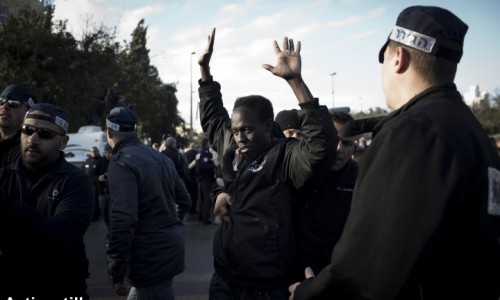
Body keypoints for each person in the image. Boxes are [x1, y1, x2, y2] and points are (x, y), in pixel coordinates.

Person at [290, 6, 500, 300]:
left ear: (398, 59)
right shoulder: (472, 131)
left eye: (384, 59)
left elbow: (367, 265)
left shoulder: (413, 130)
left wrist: (308, 293)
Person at [198, 28, 337, 299]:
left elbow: (320, 147)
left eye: (247, 130)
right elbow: (214, 116)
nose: (240, 137)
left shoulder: (284, 156)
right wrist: (204, 70)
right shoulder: (231, 144)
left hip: (267, 288)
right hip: (225, 280)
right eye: (236, 131)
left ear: (267, 126)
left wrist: (296, 83)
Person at [0, 103, 94, 298]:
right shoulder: (3, 177)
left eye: (45, 134)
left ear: (63, 142)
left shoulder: (77, 183)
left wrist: (6, 205)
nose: (33, 139)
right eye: (28, 130)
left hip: (61, 289)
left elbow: (63, 236)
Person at [105, 106, 192, 299]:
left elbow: (123, 219)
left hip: (149, 259)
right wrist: (171, 225)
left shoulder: (121, 162)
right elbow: (185, 200)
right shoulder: (160, 157)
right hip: (165, 253)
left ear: (109, 132)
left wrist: (116, 271)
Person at [295, 111, 358, 277]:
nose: (339, 149)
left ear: (354, 147)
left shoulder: (363, 178)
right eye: (335, 141)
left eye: (346, 143)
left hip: (340, 277)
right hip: (296, 274)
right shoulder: (299, 171)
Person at [0, 84, 37, 167]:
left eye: (13, 103)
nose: (4, 106)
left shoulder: (30, 148)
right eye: (1, 101)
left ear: (28, 112)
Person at [196, 137, 216, 224]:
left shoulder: (199, 152)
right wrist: (214, 165)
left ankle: (201, 216)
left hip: (200, 178)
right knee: (206, 199)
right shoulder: (205, 152)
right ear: (207, 144)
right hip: (206, 178)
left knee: (202, 199)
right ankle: (205, 218)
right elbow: (202, 166)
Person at [82, 146, 103, 220]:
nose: (93, 153)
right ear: (90, 152)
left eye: (95, 151)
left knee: (96, 201)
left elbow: (103, 173)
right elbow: (82, 171)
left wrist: (98, 178)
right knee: (89, 201)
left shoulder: (101, 161)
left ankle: (95, 216)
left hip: (98, 186)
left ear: (98, 151)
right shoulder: (87, 160)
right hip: (88, 185)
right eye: (92, 151)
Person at [185, 142, 200, 213]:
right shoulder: (195, 154)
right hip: (194, 176)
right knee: (194, 194)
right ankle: (192, 208)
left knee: (188, 192)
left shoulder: (185, 153)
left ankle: (188, 208)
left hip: (187, 176)